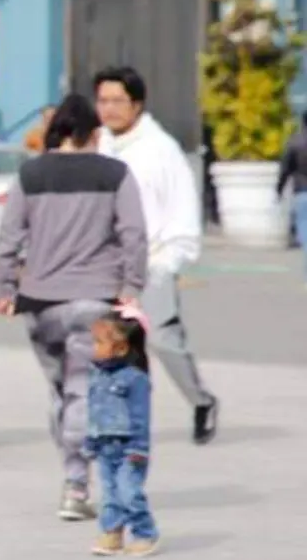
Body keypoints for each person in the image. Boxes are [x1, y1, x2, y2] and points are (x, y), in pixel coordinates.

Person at [0, 93, 149, 522]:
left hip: (41, 304)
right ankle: (76, 484)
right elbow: (134, 235)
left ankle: (74, 475)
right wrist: (132, 286)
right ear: (93, 133)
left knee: (63, 390)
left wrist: (3, 289)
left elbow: (9, 239)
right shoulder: (115, 173)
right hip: (97, 299)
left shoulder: (30, 174)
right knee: (82, 390)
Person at [94, 66, 219, 444]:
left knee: (164, 341)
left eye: (118, 101)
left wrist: (171, 261)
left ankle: (201, 400)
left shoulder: (161, 150)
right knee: (113, 344)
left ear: (137, 105)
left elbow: (183, 208)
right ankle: (126, 421)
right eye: (103, 101)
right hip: (108, 265)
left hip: (154, 261)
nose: (109, 109)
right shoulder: (98, 144)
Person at [86, 306, 159, 557]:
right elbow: (94, 411)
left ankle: (145, 533)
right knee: (109, 494)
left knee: (129, 492)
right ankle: (112, 533)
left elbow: (140, 418)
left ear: (121, 348)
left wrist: (139, 449)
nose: (93, 347)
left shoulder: (135, 379)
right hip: (105, 446)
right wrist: (90, 441)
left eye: (99, 342)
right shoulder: (97, 375)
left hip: (129, 449)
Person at [277, 112, 307, 276]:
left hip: (302, 191)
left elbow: (285, 169)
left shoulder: (295, 142)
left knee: (304, 228)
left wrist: (279, 189)